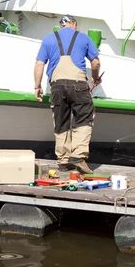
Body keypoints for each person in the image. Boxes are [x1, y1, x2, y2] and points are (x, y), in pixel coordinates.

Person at [33, 14, 101, 174]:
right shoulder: (83, 38)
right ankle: (77, 156)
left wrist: (37, 86)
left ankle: (63, 160)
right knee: (83, 118)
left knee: (61, 121)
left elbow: (39, 64)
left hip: (56, 86)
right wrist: (95, 77)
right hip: (78, 84)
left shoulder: (49, 39)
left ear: (61, 26)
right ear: (74, 24)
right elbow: (95, 62)